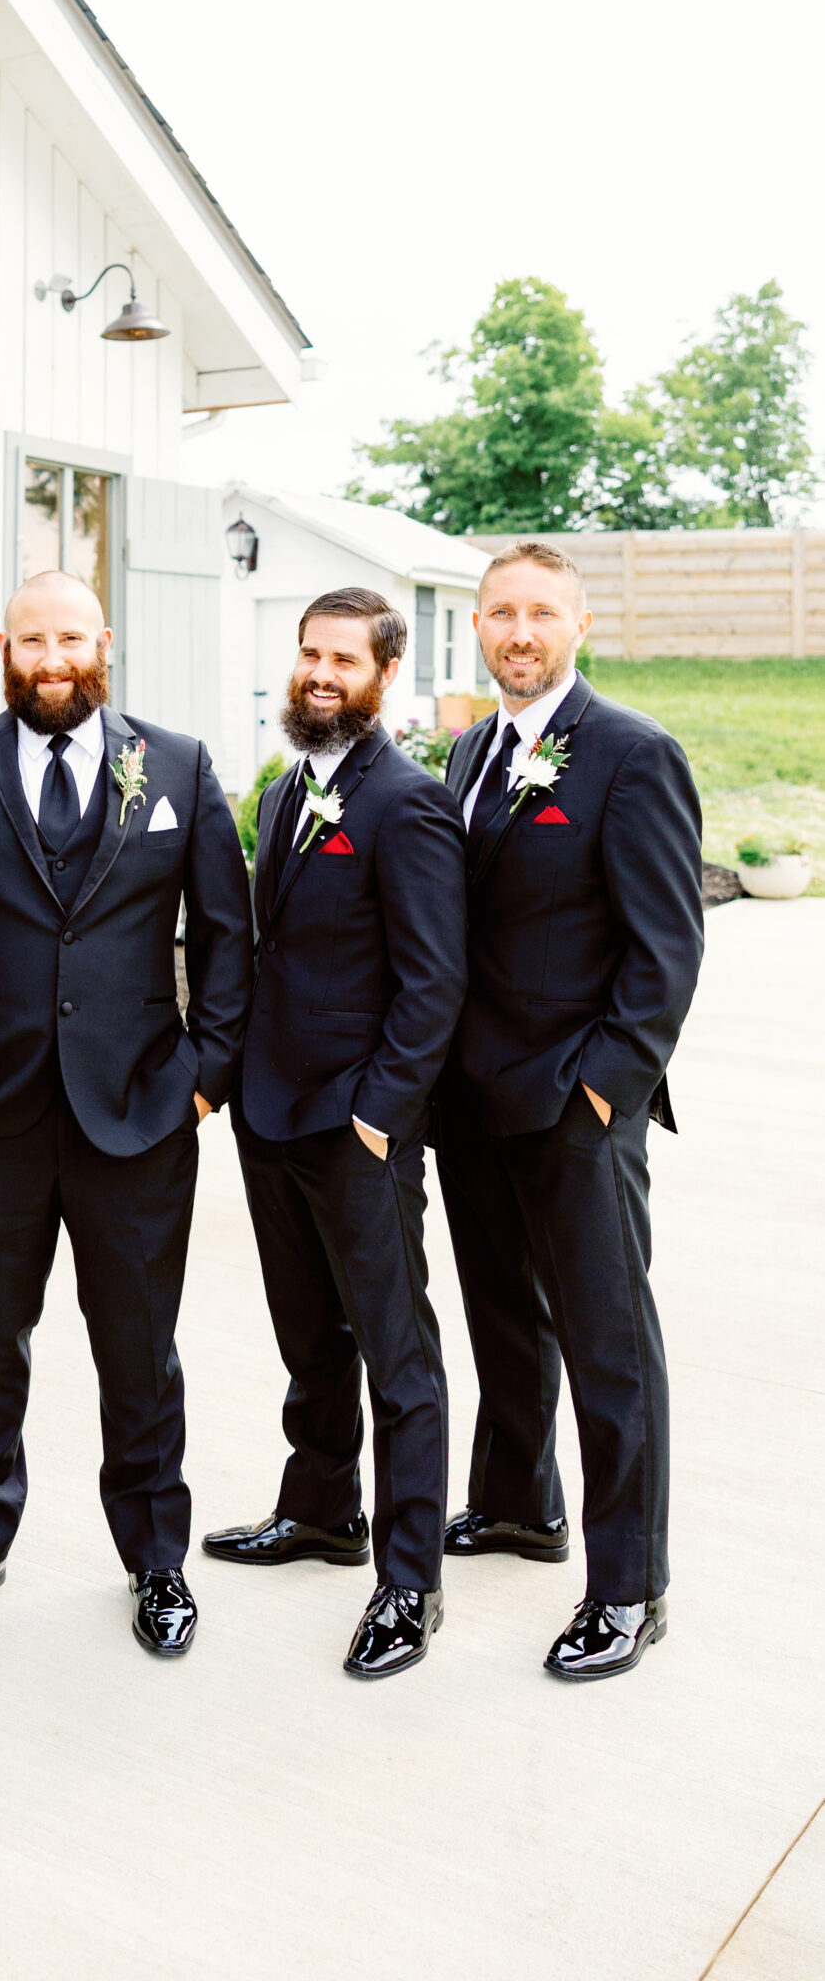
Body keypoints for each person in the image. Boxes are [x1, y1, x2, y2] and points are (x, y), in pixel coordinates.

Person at [0, 570, 252, 1657]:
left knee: (139, 1348)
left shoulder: (174, 764)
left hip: (140, 1111)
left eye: (70, 638)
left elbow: (227, 930)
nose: (52, 658)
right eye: (32, 639)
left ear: (105, 642)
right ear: (5, 646)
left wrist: (205, 1071)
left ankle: (157, 1562)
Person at [436, 539, 704, 1680]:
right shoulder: (465, 754)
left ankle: (631, 1586)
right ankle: (516, 1503)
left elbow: (666, 954)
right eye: (500, 612)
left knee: (610, 1346)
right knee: (503, 1318)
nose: (518, 631)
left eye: (541, 611)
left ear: (579, 624)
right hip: (472, 1103)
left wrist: (605, 1089)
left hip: (575, 1106)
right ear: (480, 626)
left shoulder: (633, 754)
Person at [202, 589, 467, 1679]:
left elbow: (434, 981)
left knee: (396, 1351)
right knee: (310, 1336)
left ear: (384, 672)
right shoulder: (284, 795)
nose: (318, 672)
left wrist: (378, 1116)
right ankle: (318, 1510)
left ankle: (409, 1579)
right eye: (308, 653)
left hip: (355, 1127)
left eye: (341, 658)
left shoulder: (404, 803)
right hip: (272, 1116)